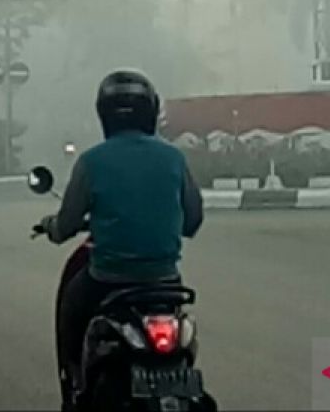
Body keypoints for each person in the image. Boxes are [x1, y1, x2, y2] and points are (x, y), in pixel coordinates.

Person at [38, 69, 204, 409]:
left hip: (107, 280)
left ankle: (76, 387)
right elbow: (194, 220)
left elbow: (67, 224)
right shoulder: (173, 157)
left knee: (71, 307)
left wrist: (51, 227)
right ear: (151, 111)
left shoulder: (91, 161)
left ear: (104, 114)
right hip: (165, 283)